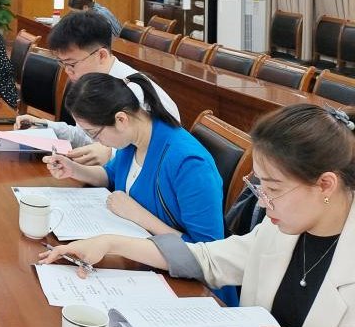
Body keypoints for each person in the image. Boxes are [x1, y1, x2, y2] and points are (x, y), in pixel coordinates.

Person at [41, 104, 355, 327]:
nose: (261, 202)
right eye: (259, 186)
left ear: (325, 185)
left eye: (273, 189)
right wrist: (110, 243)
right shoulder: (282, 229)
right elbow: (207, 258)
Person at [43, 72, 224, 244]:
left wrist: (138, 215)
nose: (96, 141)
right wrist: (74, 169)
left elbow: (208, 249)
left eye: (94, 133)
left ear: (121, 119)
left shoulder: (189, 164)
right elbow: (111, 175)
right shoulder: (133, 140)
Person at [16, 10, 180, 165]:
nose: (67, 71)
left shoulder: (138, 92)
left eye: (71, 64)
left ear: (101, 55)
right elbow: (85, 136)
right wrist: (46, 126)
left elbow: (161, 153)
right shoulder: (92, 85)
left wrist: (111, 154)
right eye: (62, 64)